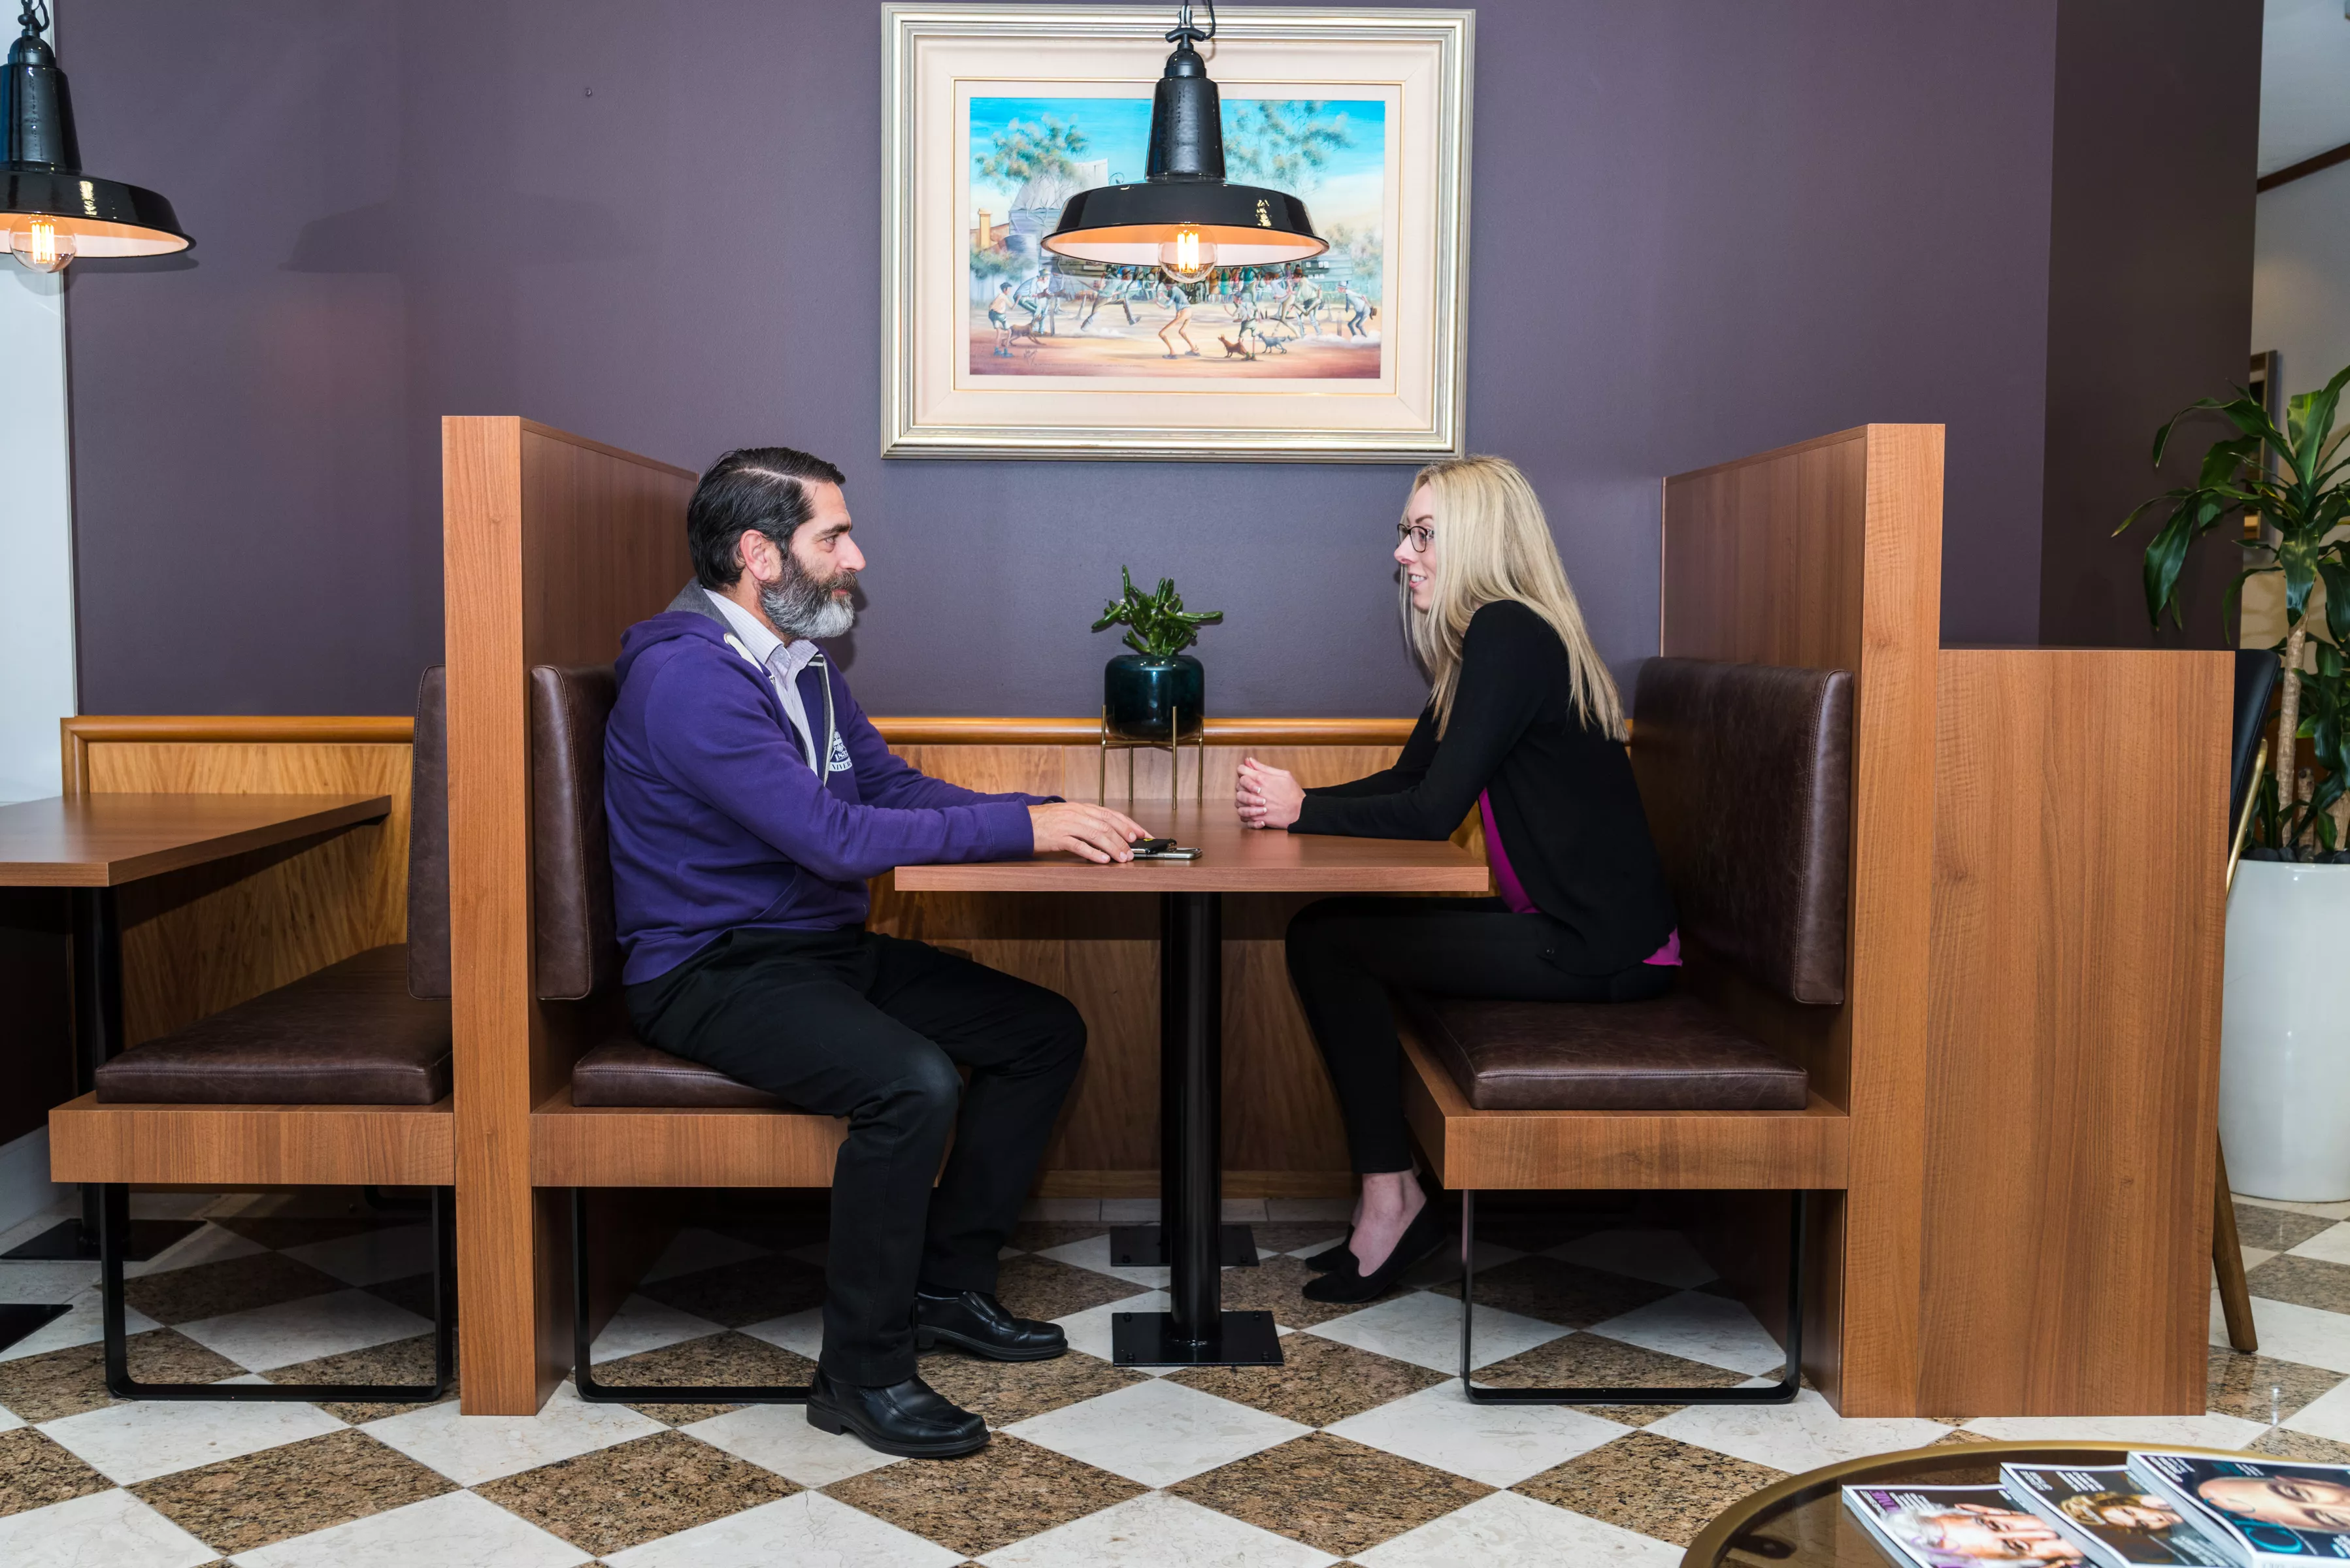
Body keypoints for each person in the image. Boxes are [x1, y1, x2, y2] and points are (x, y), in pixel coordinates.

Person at [604, 446, 1151, 1459]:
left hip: (812, 948)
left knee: (1040, 1032)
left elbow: (887, 792)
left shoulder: (799, 662)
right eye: (834, 537)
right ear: (759, 555)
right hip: (709, 970)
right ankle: (861, 1373)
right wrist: (1020, 832)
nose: (856, 556)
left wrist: (1040, 812)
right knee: (912, 1085)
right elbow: (832, 839)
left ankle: (945, 1287)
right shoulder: (687, 677)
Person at [1234, 455, 1679, 1303]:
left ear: (1477, 539)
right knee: (1326, 937)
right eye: (1406, 533)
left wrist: (1302, 812)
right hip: (1582, 935)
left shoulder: (1509, 634)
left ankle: (1392, 1201)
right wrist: (1295, 803)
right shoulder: (1496, 642)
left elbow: (1434, 812)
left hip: (1599, 949)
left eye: (1424, 533)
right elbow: (1412, 782)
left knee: (1327, 942)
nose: (1404, 553)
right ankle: (1393, 1197)